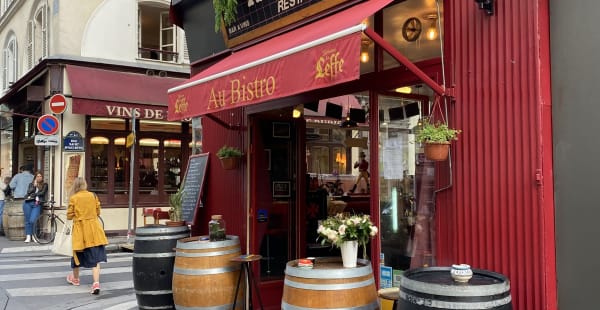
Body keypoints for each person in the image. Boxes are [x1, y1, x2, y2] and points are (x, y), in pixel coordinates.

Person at [66, 177, 108, 295]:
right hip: (94, 229)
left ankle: (75, 279)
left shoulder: (74, 198)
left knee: (76, 255)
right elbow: (98, 211)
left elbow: (69, 215)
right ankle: (96, 283)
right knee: (95, 258)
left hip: (80, 230)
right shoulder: (93, 196)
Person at [23, 172, 48, 243]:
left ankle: (34, 235)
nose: (39, 177)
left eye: (40, 176)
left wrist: (34, 193)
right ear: (35, 177)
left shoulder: (45, 185)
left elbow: (42, 193)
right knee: (27, 220)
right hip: (28, 203)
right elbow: (28, 192)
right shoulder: (31, 184)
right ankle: (28, 236)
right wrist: (34, 186)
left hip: (37, 204)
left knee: (33, 220)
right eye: (37, 176)